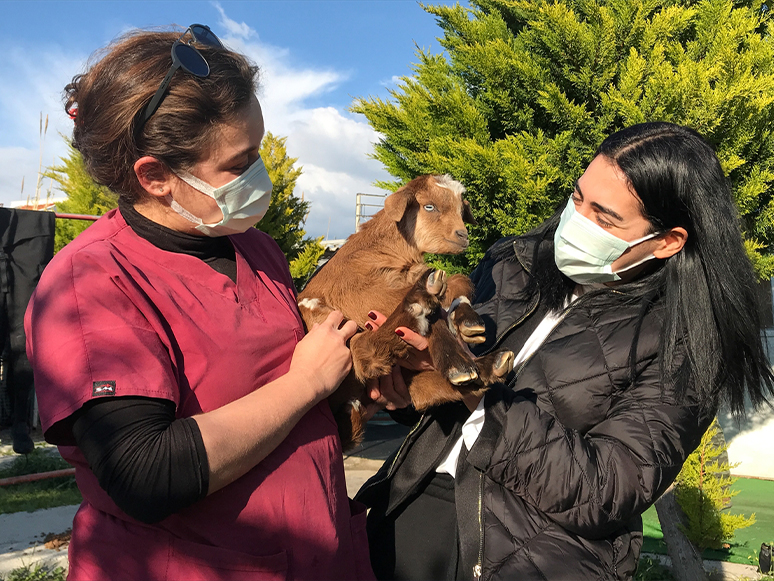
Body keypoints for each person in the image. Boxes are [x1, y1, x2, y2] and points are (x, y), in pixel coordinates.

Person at [25, 25, 375, 580]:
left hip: (316, 555)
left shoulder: (254, 248)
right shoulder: (92, 279)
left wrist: (361, 380)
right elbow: (145, 473)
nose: (260, 176)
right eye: (239, 164)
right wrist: (304, 383)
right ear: (156, 176)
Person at [356, 122, 774, 581]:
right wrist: (407, 390)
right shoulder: (512, 261)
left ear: (668, 241)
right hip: (405, 513)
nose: (577, 221)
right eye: (577, 198)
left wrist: (473, 387)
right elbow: (439, 402)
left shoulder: (687, 343)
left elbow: (607, 490)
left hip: (527, 557)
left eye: (605, 217)